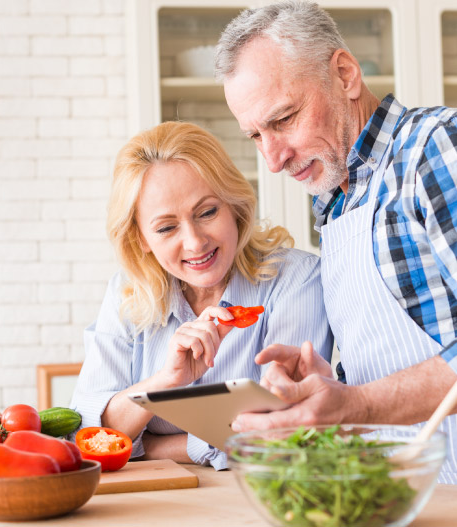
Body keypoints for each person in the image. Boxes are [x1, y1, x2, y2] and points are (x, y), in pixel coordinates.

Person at [215, 0, 457, 483]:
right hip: (402, 495)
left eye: (283, 119)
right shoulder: (336, 198)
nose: (274, 160)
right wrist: (330, 387)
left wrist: (357, 403)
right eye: (256, 136)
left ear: (345, 74)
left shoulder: (436, 148)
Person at [70, 120, 333, 470]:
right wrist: (165, 383)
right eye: (166, 227)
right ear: (141, 240)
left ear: (234, 206)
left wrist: (151, 445)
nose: (195, 242)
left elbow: (283, 434)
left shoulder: (296, 279)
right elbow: (90, 435)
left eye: (207, 212)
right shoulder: (127, 293)